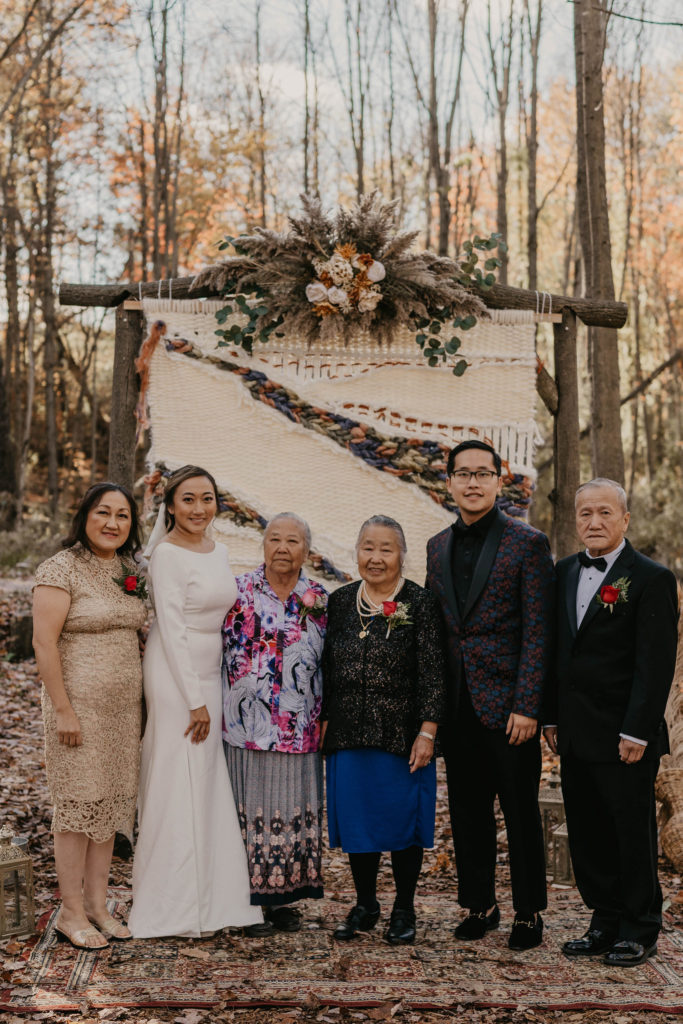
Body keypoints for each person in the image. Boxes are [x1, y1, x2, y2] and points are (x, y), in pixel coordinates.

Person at [425, 440, 554, 950]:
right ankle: (480, 904)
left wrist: (528, 705)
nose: (473, 482)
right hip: (459, 707)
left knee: (520, 812)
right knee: (467, 812)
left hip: (509, 708)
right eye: (464, 473)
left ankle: (528, 912)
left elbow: (539, 632)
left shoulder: (527, 542)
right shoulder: (436, 546)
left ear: (501, 481)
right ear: (450, 481)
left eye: (483, 473)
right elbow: (440, 631)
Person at [544, 478, 678, 967]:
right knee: (588, 831)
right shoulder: (561, 573)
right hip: (575, 732)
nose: (594, 522)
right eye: (585, 514)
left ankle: (640, 927)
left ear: (625, 519)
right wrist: (552, 718)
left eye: (605, 513)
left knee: (630, 832)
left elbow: (655, 662)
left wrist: (637, 730)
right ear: (575, 520)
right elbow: (558, 652)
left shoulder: (651, 578)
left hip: (626, 735)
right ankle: (603, 919)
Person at [128, 465, 261, 938]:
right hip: (173, 674)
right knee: (176, 774)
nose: (199, 508)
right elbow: (172, 628)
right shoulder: (165, 555)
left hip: (212, 674)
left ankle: (216, 895)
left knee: (206, 778)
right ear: (170, 505)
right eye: (188, 499)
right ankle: (174, 901)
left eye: (207, 498)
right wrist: (194, 701)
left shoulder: (219, 550)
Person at [33, 482, 147, 949]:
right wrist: (63, 709)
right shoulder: (60, 569)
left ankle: (99, 905)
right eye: (104, 512)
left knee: (112, 804)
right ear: (85, 516)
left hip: (124, 712)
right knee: (78, 809)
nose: (112, 523)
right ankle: (71, 910)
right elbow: (43, 642)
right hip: (76, 708)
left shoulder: (127, 569)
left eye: (122, 516)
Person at [322, 515, 446, 946]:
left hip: (401, 736)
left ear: (401, 556)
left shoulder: (420, 603)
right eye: (368, 548)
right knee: (359, 824)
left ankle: (404, 906)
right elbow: (326, 668)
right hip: (347, 734)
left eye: (386, 549)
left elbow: (434, 672)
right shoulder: (338, 602)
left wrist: (428, 732)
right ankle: (366, 903)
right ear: (356, 552)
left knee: (401, 823)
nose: (375, 558)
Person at [222, 513, 327, 936]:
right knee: (247, 813)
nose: (283, 547)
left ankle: (283, 901)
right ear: (263, 544)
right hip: (246, 725)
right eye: (274, 539)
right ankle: (248, 905)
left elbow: (329, 664)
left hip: (299, 724)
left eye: (293, 540)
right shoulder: (237, 591)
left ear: (307, 550)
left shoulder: (319, 598)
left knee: (290, 808)